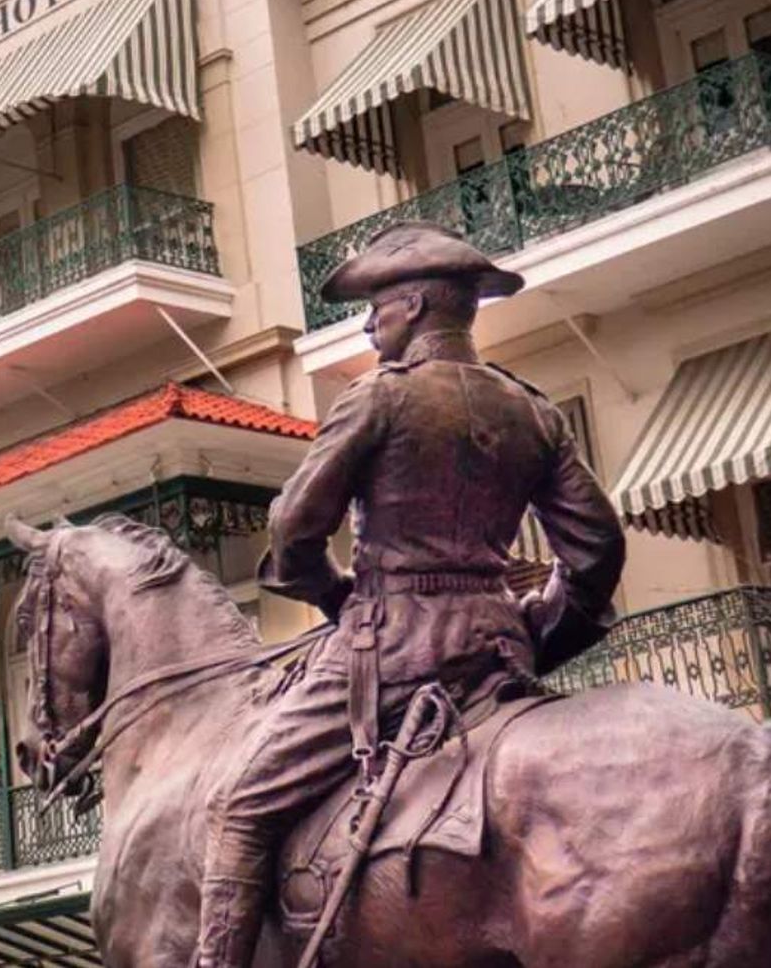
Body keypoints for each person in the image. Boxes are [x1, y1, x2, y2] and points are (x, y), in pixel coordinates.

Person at [195, 221, 626, 968]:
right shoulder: (532, 411)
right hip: (497, 648)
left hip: (391, 648)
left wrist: (336, 599)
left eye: (379, 309)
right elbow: (597, 551)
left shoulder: (378, 400)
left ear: (418, 306)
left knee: (240, 804)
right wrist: (540, 633)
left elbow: (294, 531)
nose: (368, 325)